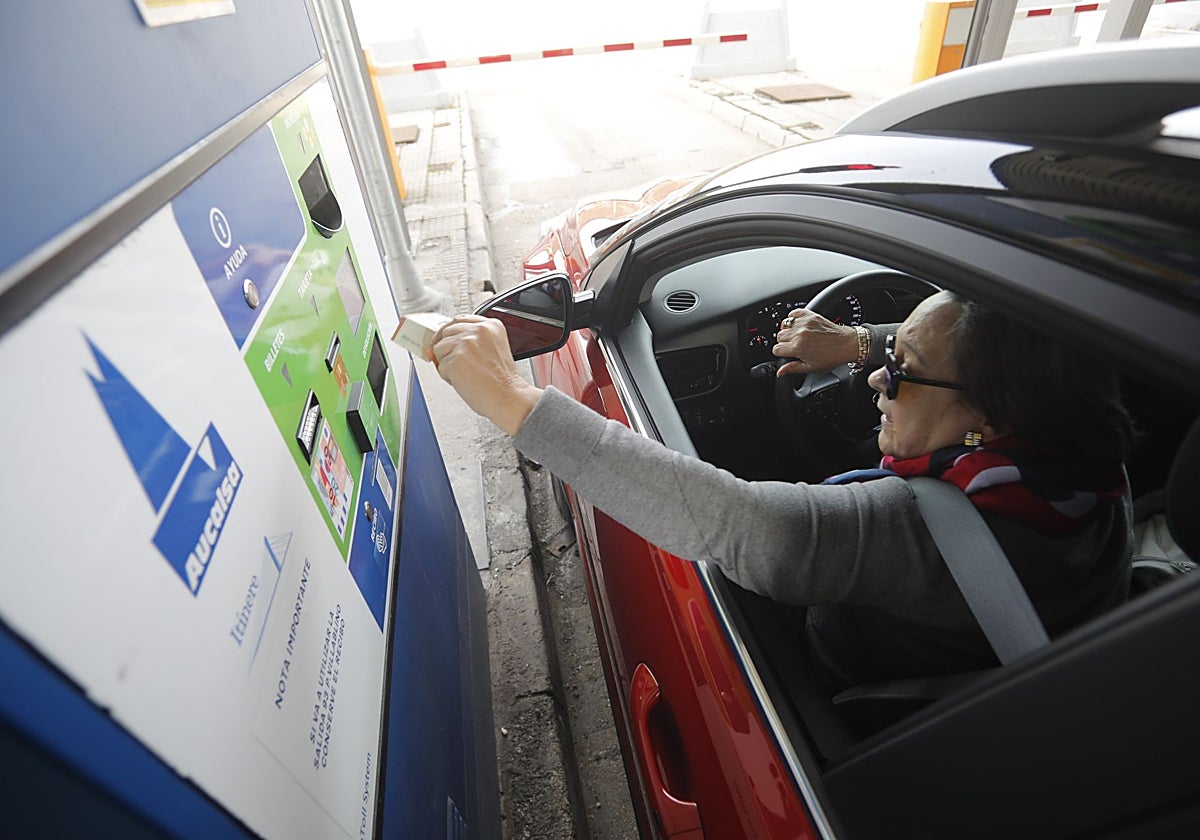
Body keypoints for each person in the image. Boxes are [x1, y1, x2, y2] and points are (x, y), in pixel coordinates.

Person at [428, 290, 1134, 688]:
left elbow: (751, 527)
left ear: (991, 417)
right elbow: (962, 347)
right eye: (886, 358)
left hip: (847, 687)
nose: (878, 380)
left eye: (904, 369)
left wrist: (511, 399)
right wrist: (857, 341)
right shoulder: (1086, 465)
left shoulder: (923, 534)